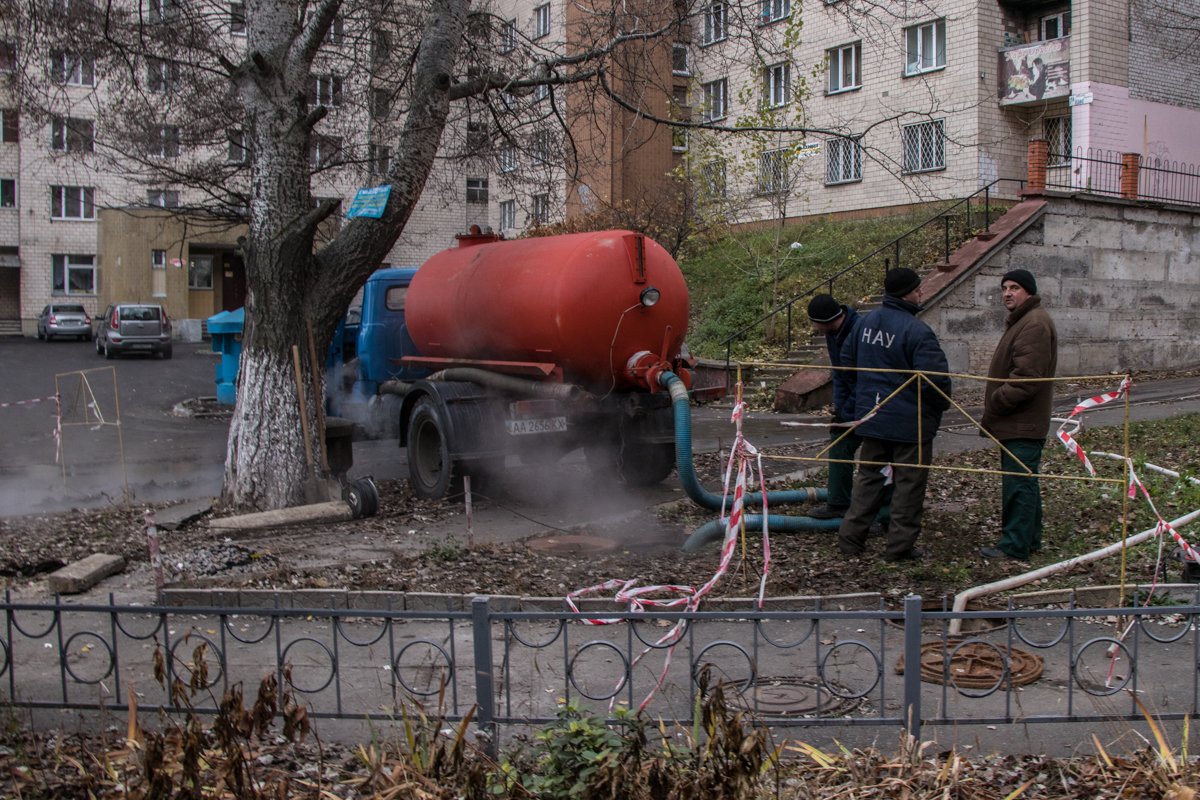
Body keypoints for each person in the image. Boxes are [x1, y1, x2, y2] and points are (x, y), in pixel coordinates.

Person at [837, 268, 951, 562]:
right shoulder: (917, 331)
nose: (921, 293)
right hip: (909, 425)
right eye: (917, 290)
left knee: (867, 481)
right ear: (906, 293)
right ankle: (898, 549)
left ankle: (851, 539)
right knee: (909, 487)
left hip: (872, 419)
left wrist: (863, 397)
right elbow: (935, 382)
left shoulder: (863, 324)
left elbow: (846, 364)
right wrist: (936, 409)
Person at [979, 269, 1058, 562]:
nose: (1007, 293)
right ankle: (1029, 539)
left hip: (1022, 422)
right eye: (1004, 288)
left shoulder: (1034, 324)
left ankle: (1014, 545)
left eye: (1014, 288)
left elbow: (1026, 378)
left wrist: (996, 403)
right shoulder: (1024, 320)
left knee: (1018, 485)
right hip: (1019, 421)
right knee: (1025, 481)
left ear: (1029, 291)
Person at [804, 294, 891, 529]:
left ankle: (885, 514)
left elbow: (864, 378)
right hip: (854, 403)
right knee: (839, 441)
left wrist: (851, 412)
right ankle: (839, 502)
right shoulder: (834, 335)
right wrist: (841, 411)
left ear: (825, 320)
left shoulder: (860, 331)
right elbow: (840, 375)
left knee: (881, 456)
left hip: (874, 403)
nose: (814, 328)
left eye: (814, 322)